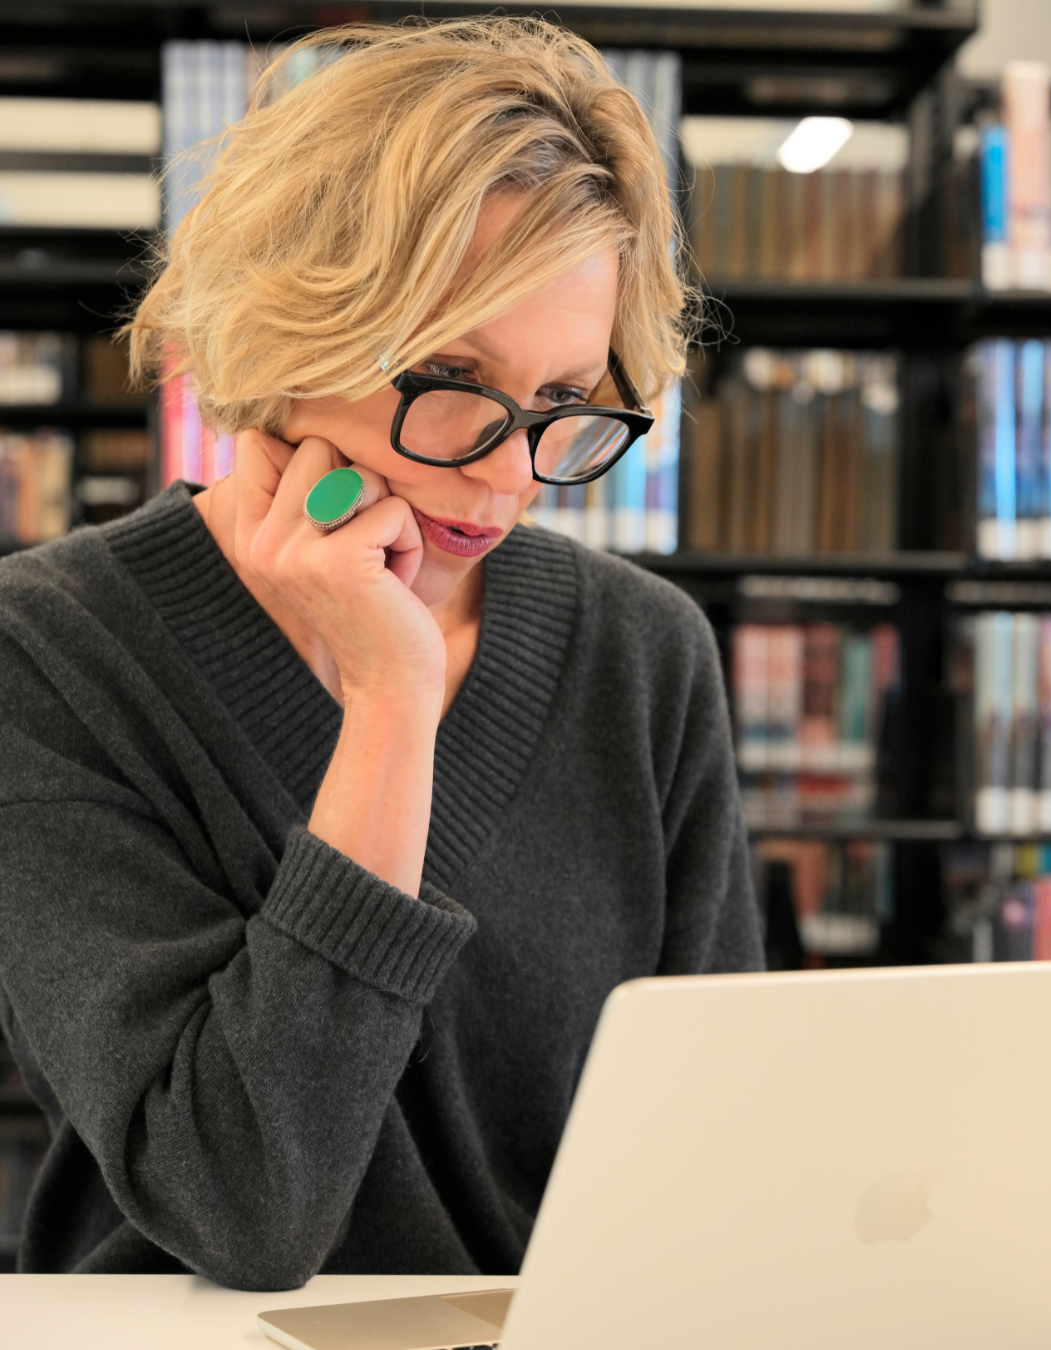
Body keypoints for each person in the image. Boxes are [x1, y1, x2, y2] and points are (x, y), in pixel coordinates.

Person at [0, 17, 762, 1289]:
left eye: (568, 401)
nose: (511, 472)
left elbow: (724, 1138)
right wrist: (393, 703)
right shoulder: (51, 653)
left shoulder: (644, 653)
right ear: (293, 329)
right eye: (451, 374)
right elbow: (247, 1205)